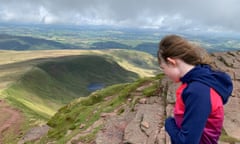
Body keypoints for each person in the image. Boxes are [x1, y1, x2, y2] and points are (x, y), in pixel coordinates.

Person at [157, 35, 233, 144]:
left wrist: (169, 123)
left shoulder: (198, 91)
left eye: (163, 68)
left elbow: (187, 142)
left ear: (171, 62)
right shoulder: (203, 79)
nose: (165, 73)